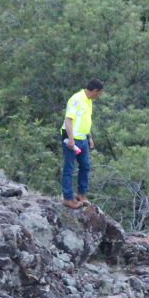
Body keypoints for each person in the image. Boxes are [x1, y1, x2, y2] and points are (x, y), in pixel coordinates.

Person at [60, 78, 104, 209]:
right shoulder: (76, 99)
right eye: (99, 93)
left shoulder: (89, 101)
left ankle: (81, 194)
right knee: (69, 168)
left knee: (85, 166)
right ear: (94, 90)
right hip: (72, 138)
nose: (99, 96)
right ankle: (68, 198)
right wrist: (71, 139)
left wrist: (89, 137)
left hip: (83, 138)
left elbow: (85, 120)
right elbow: (68, 120)